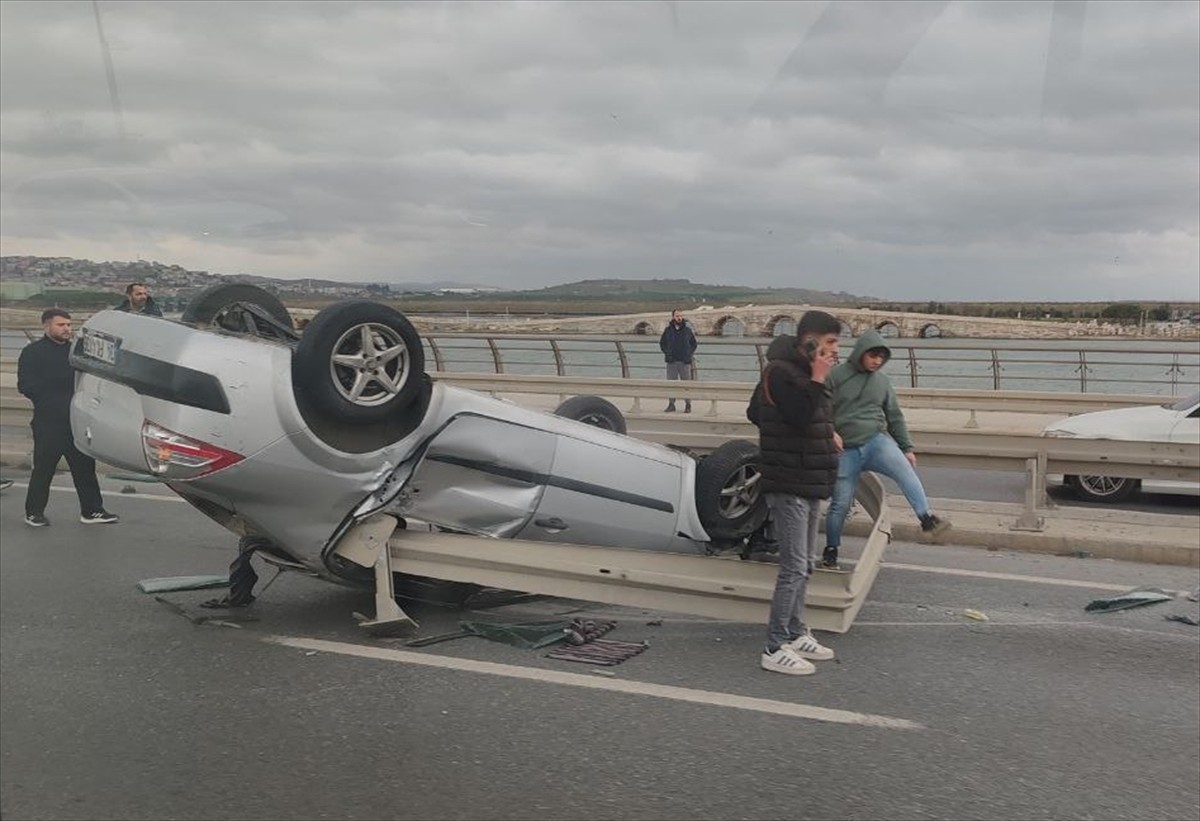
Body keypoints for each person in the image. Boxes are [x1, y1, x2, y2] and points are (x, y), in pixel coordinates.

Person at [746, 310, 842, 676]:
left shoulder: (798, 372)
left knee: (807, 565)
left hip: (809, 476)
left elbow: (798, 415)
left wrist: (826, 433)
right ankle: (774, 645)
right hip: (789, 481)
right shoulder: (781, 372)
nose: (836, 350)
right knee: (793, 568)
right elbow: (797, 414)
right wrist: (818, 379)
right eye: (831, 342)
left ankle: (797, 631)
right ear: (811, 341)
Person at [822, 329, 950, 569]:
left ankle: (926, 518)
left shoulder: (882, 382)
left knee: (906, 470)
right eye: (873, 355)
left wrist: (906, 447)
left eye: (881, 357)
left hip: (876, 441)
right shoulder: (836, 376)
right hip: (846, 449)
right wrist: (830, 432)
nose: (877, 361)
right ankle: (831, 548)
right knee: (840, 503)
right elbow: (821, 408)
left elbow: (894, 416)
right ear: (861, 352)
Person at [17, 309, 118, 527]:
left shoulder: (77, 353)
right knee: (44, 469)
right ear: (47, 326)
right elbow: (25, 385)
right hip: (49, 422)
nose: (67, 329)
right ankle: (33, 513)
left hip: (77, 421)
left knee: (85, 469)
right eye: (61, 325)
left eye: (69, 325)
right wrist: (53, 398)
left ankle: (92, 511)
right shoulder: (32, 352)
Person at [659, 309, 698, 413]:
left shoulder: (687, 330)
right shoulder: (668, 330)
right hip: (671, 361)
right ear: (673, 317)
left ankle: (688, 404)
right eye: (677, 316)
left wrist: (688, 354)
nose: (679, 318)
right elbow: (662, 343)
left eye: (680, 316)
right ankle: (671, 404)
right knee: (671, 384)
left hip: (685, 362)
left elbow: (694, 344)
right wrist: (667, 353)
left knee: (686, 385)